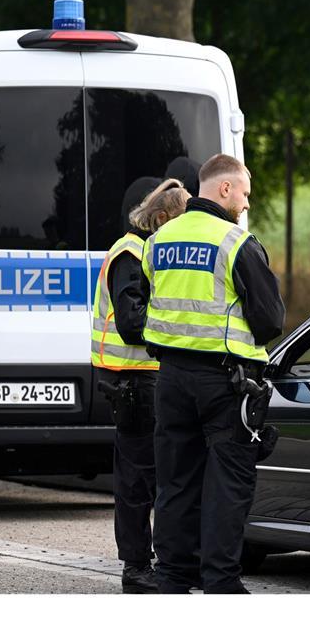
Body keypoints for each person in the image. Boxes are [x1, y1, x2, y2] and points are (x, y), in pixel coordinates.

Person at [142, 154, 285, 594]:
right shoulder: (234, 242)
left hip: (169, 378)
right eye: (243, 192)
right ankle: (221, 583)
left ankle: (171, 577)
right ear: (224, 188)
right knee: (228, 482)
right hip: (223, 382)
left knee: (174, 482)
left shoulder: (158, 240)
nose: (246, 203)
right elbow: (270, 319)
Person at [92, 178, 190, 593]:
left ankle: (153, 561)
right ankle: (136, 566)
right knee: (137, 478)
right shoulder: (131, 254)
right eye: (180, 224)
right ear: (161, 218)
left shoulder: (144, 251)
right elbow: (133, 325)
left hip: (142, 378)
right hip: (132, 379)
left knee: (150, 474)